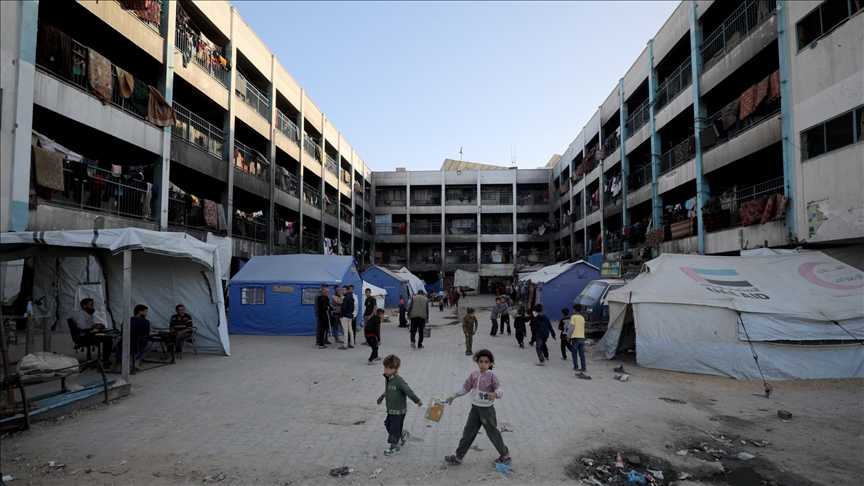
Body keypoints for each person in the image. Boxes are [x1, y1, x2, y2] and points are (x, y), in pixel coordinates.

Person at [443, 349, 511, 466]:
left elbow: (499, 389)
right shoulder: (474, 375)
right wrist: (452, 396)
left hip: (487, 411)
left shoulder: (492, 376)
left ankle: (505, 454)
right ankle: (459, 457)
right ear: (477, 362)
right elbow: (464, 387)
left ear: (490, 363)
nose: (483, 364)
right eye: (481, 361)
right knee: (468, 432)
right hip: (475, 409)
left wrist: (495, 394)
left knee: (493, 433)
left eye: (486, 362)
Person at [376, 354, 425, 456]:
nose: (387, 370)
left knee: (394, 428)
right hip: (390, 409)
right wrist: (381, 396)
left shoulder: (399, 381)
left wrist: (418, 401)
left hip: (399, 410)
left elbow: (409, 391)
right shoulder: (388, 378)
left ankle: (395, 446)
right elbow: (388, 390)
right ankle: (403, 434)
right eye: (386, 367)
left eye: (390, 368)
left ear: (396, 368)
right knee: (388, 424)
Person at [72, 298, 112, 368]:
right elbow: (82, 326)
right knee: (107, 339)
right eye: (91, 305)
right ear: (84, 306)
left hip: (89, 333)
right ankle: (106, 359)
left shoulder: (87, 313)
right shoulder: (81, 314)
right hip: (85, 336)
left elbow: (90, 324)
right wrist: (95, 326)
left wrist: (98, 325)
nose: (93, 306)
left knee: (107, 334)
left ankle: (105, 358)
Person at [113, 304, 152, 371]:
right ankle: (138, 360)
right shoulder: (146, 322)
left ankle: (118, 364)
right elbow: (146, 335)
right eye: (145, 312)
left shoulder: (126, 320)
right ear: (140, 312)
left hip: (126, 345)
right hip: (138, 345)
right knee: (149, 344)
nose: (146, 314)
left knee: (120, 344)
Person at [569, 304, 587, 372]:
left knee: (574, 352)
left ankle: (575, 366)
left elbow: (571, 328)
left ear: (574, 310)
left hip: (575, 337)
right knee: (582, 354)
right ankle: (583, 367)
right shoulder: (582, 318)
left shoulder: (573, 317)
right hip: (582, 337)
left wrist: (568, 336)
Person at [315, 284, 332, 349]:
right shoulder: (320, 297)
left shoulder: (325, 297)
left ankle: (324, 340)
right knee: (321, 329)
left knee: (324, 329)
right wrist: (329, 308)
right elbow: (323, 307)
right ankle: (319, 342)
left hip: (324, 316)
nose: (328, 293)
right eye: (327, 292)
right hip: (323, 316)